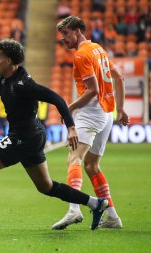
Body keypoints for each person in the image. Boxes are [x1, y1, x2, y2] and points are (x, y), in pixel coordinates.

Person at [0, 39, 108, 234]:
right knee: (45, 186)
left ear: (9, 60)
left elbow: (57, 98)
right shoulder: (3, 80)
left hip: (23, 137)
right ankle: (95, 203)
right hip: (32, 136)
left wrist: (71, 127)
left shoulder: (24, 84)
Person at [52, 16, 129, 230]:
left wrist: (70, 108)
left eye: (66, 33)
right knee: (91, 166)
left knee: (74, 158)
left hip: (90, 112)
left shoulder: (81, 54)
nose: (64, 39)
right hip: (106, 114)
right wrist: (120, 110)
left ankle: (73, 210)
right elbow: (119, 78)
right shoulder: (98, 49)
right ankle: (112, 217)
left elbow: (92, 90)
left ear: (77, 31)